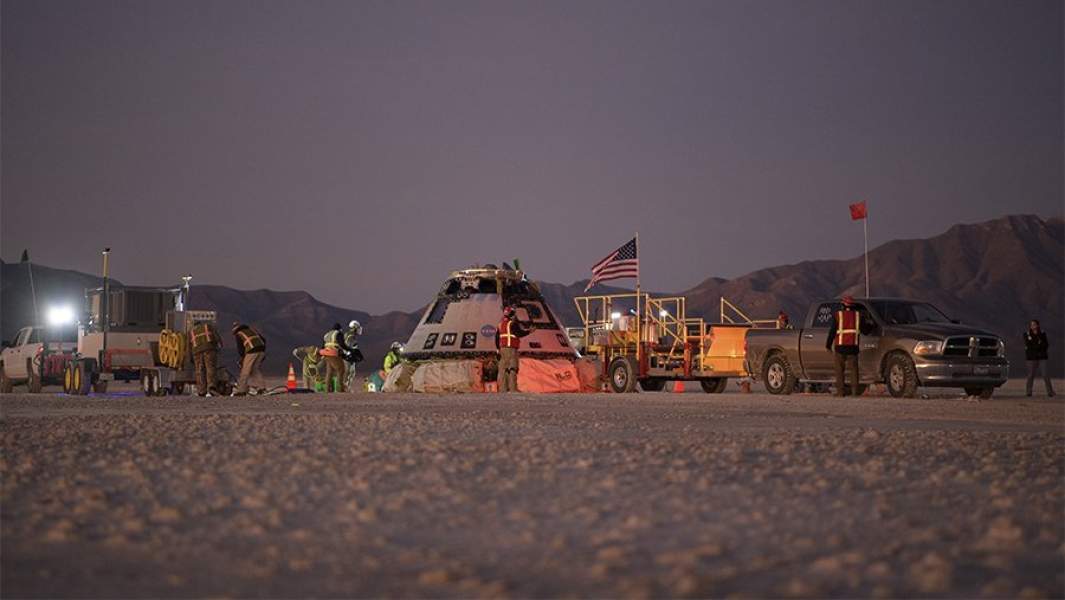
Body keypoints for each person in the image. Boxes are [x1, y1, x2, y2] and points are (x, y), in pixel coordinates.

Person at [826, 296, 861, 397]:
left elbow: (832, 331)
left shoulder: (838, 315)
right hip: (853, 348)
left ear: (843, 304)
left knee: (840, 371)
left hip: (840, 347)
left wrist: (828, 345)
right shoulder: (858, 316)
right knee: (854, 370)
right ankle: (855, 392)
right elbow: (866, 329)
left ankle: (840, 392)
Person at [494, 305, 532, 392]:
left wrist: (497, 349)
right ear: (512, 314)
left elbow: (496, 338)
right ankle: (512, 388)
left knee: (503, 369)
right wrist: (529, 331)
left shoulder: (500, 324)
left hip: (502, 348)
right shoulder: (512, 323)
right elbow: (519, 333)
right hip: (511, 348)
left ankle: (503, 388)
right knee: (512, 368)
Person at [188, 319, 222, 397]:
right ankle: (211, 387)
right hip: (209, 349)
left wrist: (190, 358)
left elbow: (189, 347)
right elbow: (217, 337)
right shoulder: (208, 326)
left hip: (196, 352)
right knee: (210, 368)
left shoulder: (190, 333)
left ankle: (201, 390)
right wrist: (219, 347)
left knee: (199, 370)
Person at [232, 322, 267, 395]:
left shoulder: (239, 334)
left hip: (252, 351)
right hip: (261, 350)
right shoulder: (252, 330)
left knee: (245, 371)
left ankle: (241, 390)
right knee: (255, 369)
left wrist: (243, 358)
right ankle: (261, 388)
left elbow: (240, 348)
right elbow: (263, 340)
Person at [1024, 320, 1055, 397]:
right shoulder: (1026, 334)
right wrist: (1038, 343)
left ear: (1037, 325)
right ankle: (1028, 392)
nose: (1033, 326)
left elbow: (1046, 345)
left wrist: (1037, 344)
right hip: (1031, 358)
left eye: (1034, 324)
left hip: (1042, 357)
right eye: (1031, 324)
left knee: (1045, 374)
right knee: (1031, 375)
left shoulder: (1042, 334)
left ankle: (1050, 392)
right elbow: (1029, 346)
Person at [321, 323, 350, 392]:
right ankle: (340, 389)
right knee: (341, 370)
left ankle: (327, 389)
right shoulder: (338, 334)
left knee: (329, 372)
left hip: (326, 354)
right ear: (340, 329)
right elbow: (342, 344)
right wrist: (348, 349)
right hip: (334, 354)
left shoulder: (327, 335)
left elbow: (322, 346)